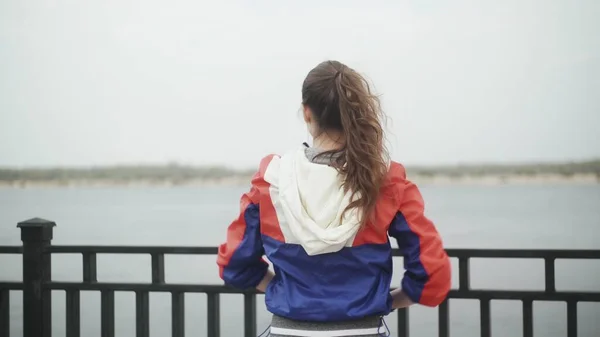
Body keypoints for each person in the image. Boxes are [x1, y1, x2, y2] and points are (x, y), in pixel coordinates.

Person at [217, 60, 451, 337]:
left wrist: (281, 289)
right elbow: (432, 273)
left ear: (307, 113)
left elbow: (234, 263)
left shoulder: (272, 181)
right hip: (364, 329)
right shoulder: (385, 180)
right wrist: (386, 300)